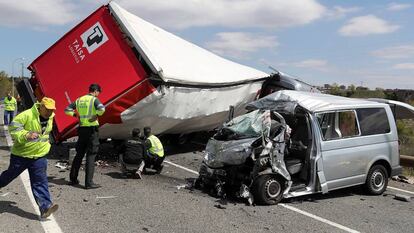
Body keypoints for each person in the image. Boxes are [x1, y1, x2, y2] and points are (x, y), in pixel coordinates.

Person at [0, 97, 58, 218]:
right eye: (47, 109)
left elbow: (45, 134)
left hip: (39, 156)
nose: (49, 112)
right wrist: (26, 135)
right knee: (8, 176)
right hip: (21, 155)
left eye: (52, 110)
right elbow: (13, 128)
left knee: (40, 181)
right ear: (40, 107)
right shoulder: (26, 115)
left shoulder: (51, 117)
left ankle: (45, 207)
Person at [65, 84, 105, 189]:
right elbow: (102, 109)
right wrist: (96, 115)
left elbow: (67, 110)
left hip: (82, 129)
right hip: (92, 131)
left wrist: (76, 115)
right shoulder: (94, 100)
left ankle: (73, 179)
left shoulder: (79, 100)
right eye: (98, 93)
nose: (98, 95)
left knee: (79, 154)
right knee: (91, 155)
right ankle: (89, 183)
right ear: (95, 91)